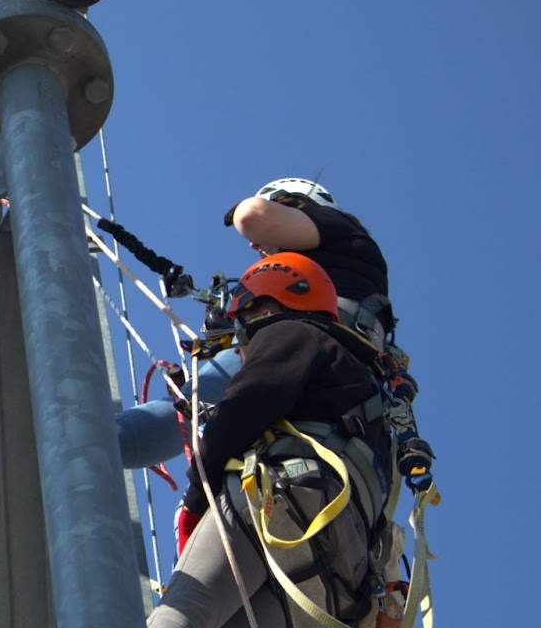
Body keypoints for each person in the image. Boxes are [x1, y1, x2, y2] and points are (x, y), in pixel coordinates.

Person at [155, 252, 390, 628]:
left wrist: (197, 500)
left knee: (182, 617)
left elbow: (247, 405)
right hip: (329, 578)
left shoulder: (294, 334)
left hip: (276, 503)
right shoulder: (362, 389)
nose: (238, 330)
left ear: (267, 298)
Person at [115, 177, 394, 470]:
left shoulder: (341, 232)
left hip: (294, 350)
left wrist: (244, 211)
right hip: (340, 396)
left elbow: (252, 215)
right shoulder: (349, 267)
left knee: (169, 420)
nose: (252, 245)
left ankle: (73, 454)